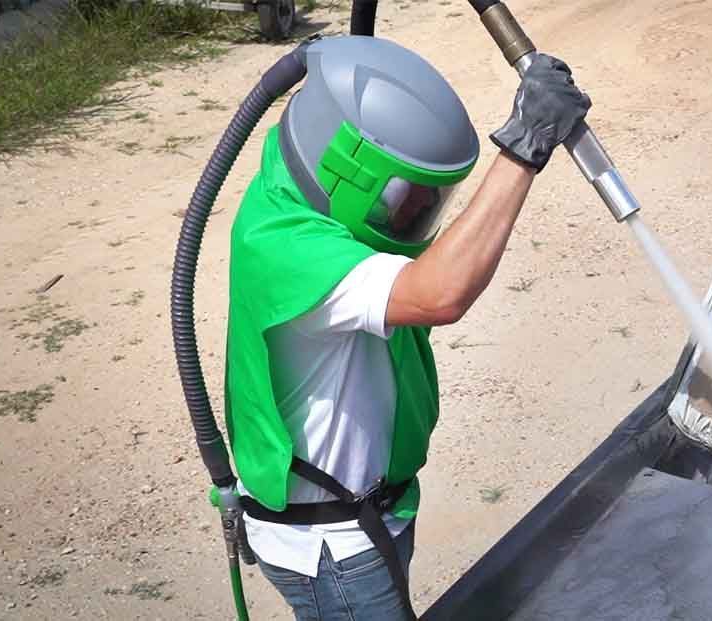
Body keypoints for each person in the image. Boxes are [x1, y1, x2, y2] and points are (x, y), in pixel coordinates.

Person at [221, 35, 590, 621]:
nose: (417, 212)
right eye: (404, 197)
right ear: (342, 167)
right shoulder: (286, 246)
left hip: (362, 519)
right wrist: (525, 146)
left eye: (428, 200)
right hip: (333, 547)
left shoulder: (297, 184)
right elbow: (439, 293)